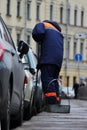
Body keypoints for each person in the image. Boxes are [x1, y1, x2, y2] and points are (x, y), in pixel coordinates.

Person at [32, 20, 64, 105]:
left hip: (48, 59)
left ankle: (51, 103)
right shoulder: (57, 31)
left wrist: (39, 40)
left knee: (47, 80)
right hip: (58, 61)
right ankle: (56, 101)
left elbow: (38, 33)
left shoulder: (42, 24)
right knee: (54, 80)